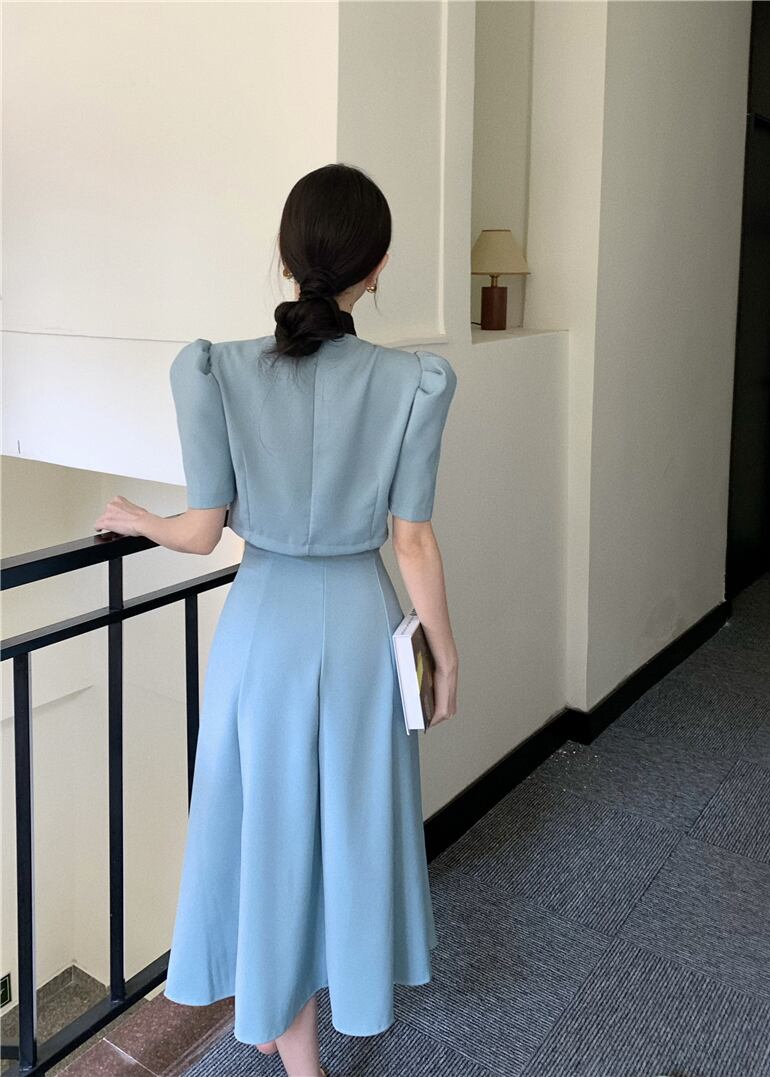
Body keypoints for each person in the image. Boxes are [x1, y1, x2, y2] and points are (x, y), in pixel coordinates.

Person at [93, 162, 459, 1077]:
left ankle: (291, 1042)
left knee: (271, 833)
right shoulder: (413, 381)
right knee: (350, 825)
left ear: (287, 261)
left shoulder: (215, 370)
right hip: (362, 625)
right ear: (376, 267)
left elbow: (202, 529)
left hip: (262, 629)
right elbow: (413, 539)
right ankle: (324, 1012)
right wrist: (444, 654)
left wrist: (142, 520)